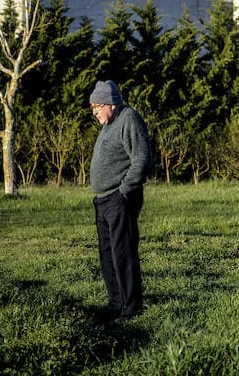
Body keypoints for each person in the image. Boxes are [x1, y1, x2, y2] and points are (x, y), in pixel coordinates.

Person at [89, 79, 152, 319]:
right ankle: (116, 304)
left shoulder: (129, 119)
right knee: (108, 255)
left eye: (96, 107)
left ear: (110, 103)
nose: (94, 112)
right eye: (93, 108)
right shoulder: (109, 125)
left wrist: (123, 191)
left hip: (119, 198)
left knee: (122, 253)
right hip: (103, 200)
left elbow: (142, 160)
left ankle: (131, 308)